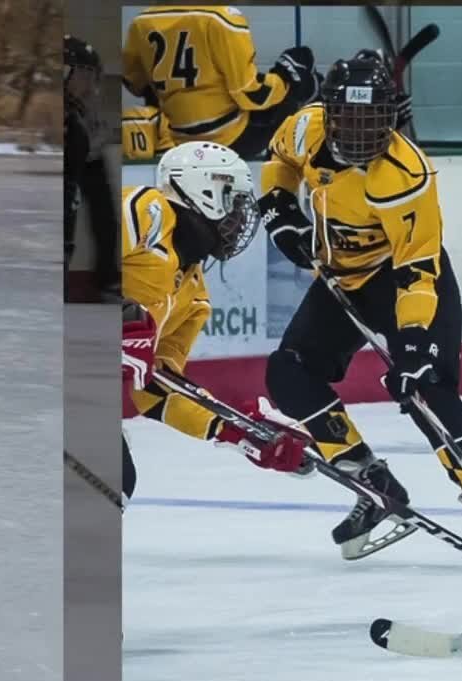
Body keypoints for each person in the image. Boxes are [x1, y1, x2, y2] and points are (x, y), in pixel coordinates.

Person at [256, 53, 462, 564]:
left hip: (401, 279)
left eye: (372, 120)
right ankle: (372, 481)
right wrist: (279, 208)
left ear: (392, 117)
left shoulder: (404, 175)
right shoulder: (302, 130)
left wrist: (414, 339)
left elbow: (417, 271)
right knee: (288, 372)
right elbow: (279, 164)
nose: (359, 132)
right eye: (348, 118)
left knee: (426, 386)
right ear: (327, 112)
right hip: (342, 277)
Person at [121, 141, 309, 503]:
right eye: (233, 202)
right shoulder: (146, 213)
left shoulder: (194, 299)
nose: (240, 219)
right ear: (201, 192)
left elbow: (156, 392)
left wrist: (238, 431)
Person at [121, 5, 321, 161]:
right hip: (231, 139)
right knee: (301, 60)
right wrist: (284, 79)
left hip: (178, 139)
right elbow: (251, 94)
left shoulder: (140, 22)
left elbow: (135, 85)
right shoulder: (222, 18)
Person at [65, 34, 121, 301]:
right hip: (75, 160)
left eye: (91, 75)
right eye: (84, 74)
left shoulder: (85, 102)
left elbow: (97, 130)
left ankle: (107, 277)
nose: (89, 82)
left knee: (105, 219)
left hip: (91, 159)